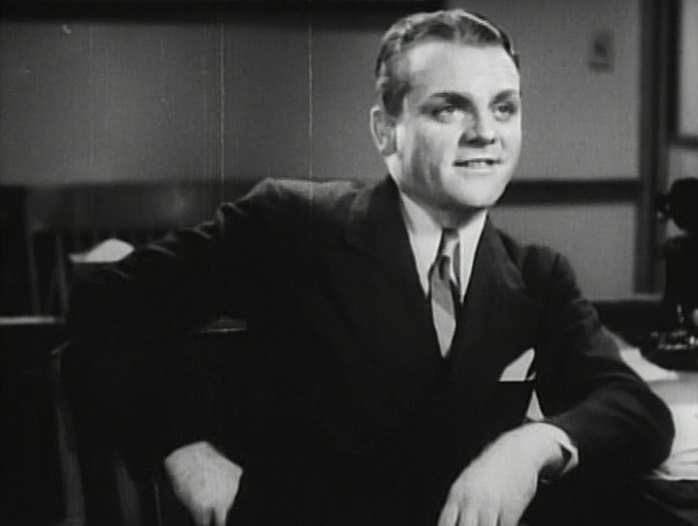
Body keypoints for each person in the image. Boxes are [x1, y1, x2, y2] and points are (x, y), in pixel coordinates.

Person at [68, 9, 674, 526]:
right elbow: (107, 303)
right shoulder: (294, 224)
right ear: (386, 132)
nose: (485, 133)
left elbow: (634, 407)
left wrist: (531, 446)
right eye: (449, 109)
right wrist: (185, 449)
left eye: (504, 108)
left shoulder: (537, 276)